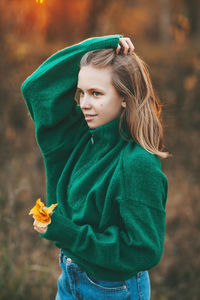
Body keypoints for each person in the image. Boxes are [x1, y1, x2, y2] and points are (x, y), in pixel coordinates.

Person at [21, 34, 170, 300]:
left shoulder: (137, 164)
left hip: (114, 290)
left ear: (125, 97)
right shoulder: (81, 136)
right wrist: (100, 45)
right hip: (69, 277)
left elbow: (144, 250)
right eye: (81, 93)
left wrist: (67, 232)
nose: (84, 104)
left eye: (96, 93)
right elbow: (37, 88)